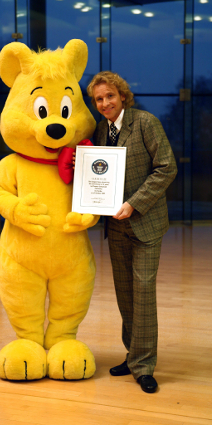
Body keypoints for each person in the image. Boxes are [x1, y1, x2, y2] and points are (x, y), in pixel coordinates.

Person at [87, 71, 178, 393]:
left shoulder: (145, 123)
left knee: (143, 293)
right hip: (115, 225)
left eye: (109, 96)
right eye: (98, 99)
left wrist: (134, 204)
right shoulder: (100, 129)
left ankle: (144, 366)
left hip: (146, 223)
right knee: (125, 294)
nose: (105, 103)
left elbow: (167, 167)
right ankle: (133, 354)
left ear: (122, 95)